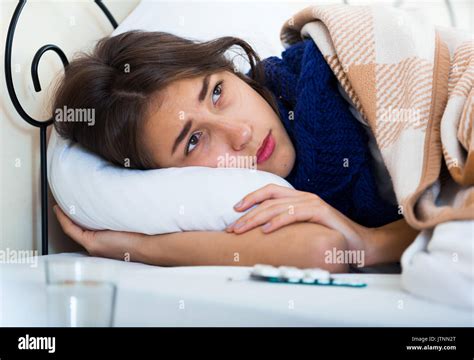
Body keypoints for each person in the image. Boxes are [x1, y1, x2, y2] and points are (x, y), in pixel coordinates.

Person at [52, 31, 419, 271]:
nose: (241, 133)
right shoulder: (267, 196)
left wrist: (373, 242)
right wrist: (139, 248)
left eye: (216, 93)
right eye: (194, 141)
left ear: (230, 69)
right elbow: (322, 249)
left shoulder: (335, 72)